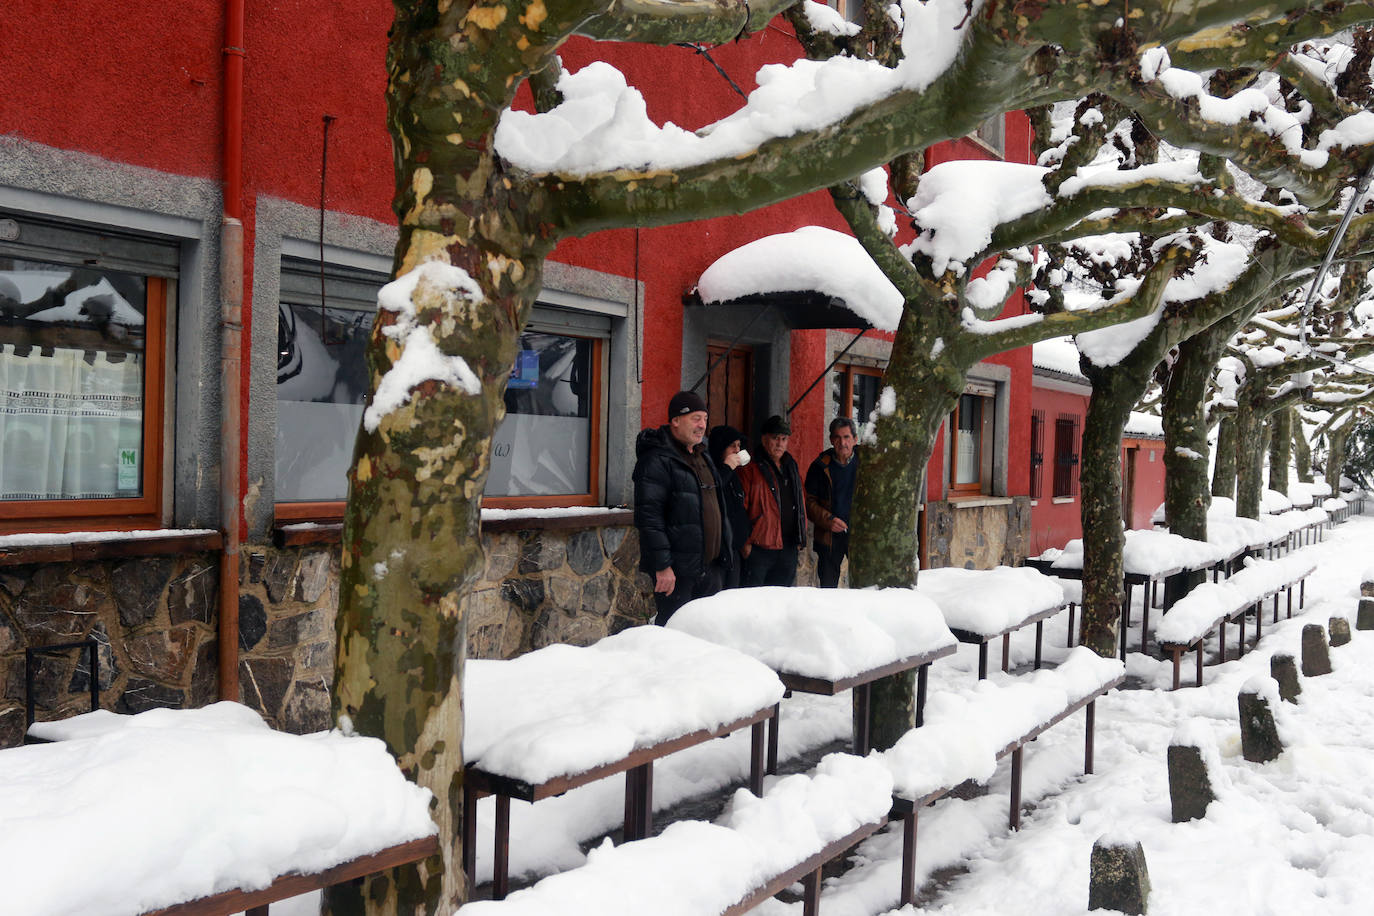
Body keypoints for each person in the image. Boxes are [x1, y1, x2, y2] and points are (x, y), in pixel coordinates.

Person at [633, 390, 733, 625]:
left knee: (706, 637)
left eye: (705, 419)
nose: (702, 425)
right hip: (677, 575)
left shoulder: (704, 456)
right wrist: (663, 566)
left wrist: (724, 555)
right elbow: (649, 518)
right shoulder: (656, 460)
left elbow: (717, 507)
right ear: (675, 421)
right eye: (695, 418)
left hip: (709, 569)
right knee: (675, 640)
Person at [738, 414, 806, 587]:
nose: (780, 444)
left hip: (789, 546)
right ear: (764, 439)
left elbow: (800, 502)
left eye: (784, 439)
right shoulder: (750, 468)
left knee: (781, 602)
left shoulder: (791, 466)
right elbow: (739, 508)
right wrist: (745, 544)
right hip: (760, 548)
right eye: (775, 438)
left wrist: (801, 536)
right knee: (754, 602)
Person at [805, 417, 860, 588]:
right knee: (828, 588)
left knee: (864, 586)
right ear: (831, 440)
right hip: (829, 536)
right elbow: (808, 501)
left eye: (846, 437)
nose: (842, 442)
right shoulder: (820, 466)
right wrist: (828, 520)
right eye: (837, 437)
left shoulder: (866, 463)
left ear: (855, 440)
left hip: (859, 534)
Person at [708, 425, 752, 588]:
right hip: (717, 552)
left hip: (734, 549)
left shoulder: (734, 474)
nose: (737, 450)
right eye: (732, 446)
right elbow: (712, 491)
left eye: (739, 446)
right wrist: (726, 468)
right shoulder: (712, 471)